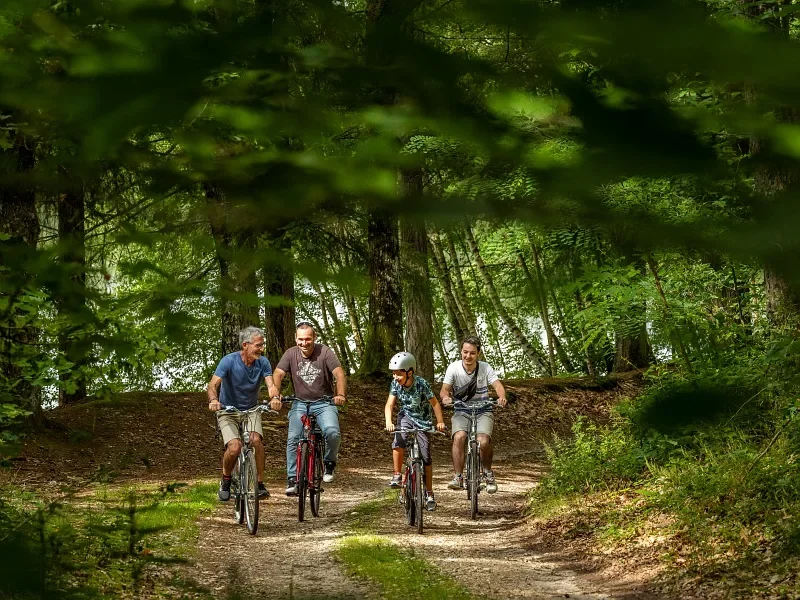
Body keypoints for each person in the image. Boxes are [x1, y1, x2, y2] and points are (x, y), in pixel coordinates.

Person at [269, 321, 346, 496]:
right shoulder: (290, 354)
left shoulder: (324, 352)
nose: (304, 343)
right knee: (293, 437)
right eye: (301, 339)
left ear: (314, 338)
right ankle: (292, 478)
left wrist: (340, 394)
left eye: (308, 339)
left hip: (324, 402)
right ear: (296, 338)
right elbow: (278, 373)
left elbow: (339, 373)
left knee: (332, 432)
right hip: (300, 403)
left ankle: (329, 463)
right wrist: (275, 395)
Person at [208, 326, 279, 502]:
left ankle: (259, 484)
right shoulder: (229, 361)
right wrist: (214, 400)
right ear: (245, 345)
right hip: (228, 411)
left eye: (262, 345)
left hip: (251, 410)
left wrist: (275, 398)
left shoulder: (263, 362)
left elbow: (270, 385)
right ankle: (226, 480)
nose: (261, 348)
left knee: (256, 441)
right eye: (258, 345)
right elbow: (212, 385)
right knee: (234, 447)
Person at [440, 335, 507, 494]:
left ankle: (488, 474)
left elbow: (498, 386)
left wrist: (501, 397)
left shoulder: (485, 368)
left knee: (483, 441)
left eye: (472, 353)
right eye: (465, 352)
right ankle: (458, 476)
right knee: (459, 437)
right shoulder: (454, 368)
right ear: (461, 351)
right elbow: (444, 389)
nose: (468, 356)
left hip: (483, 410)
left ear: (478, 353)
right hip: (461, 410)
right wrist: (445, 398)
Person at [384, 352, 446, 511]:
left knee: (426, 456)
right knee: (399, 440)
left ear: (409, 372)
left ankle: (429, 493)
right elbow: (390, 405)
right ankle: (397, 475)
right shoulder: (395, 384)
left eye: (399, 374)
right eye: (393, 373)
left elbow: (435, 404)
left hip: (423, 420)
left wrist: (440, 422)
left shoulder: (422, 384)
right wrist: (389, 422)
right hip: (406, 417)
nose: (395, 377)